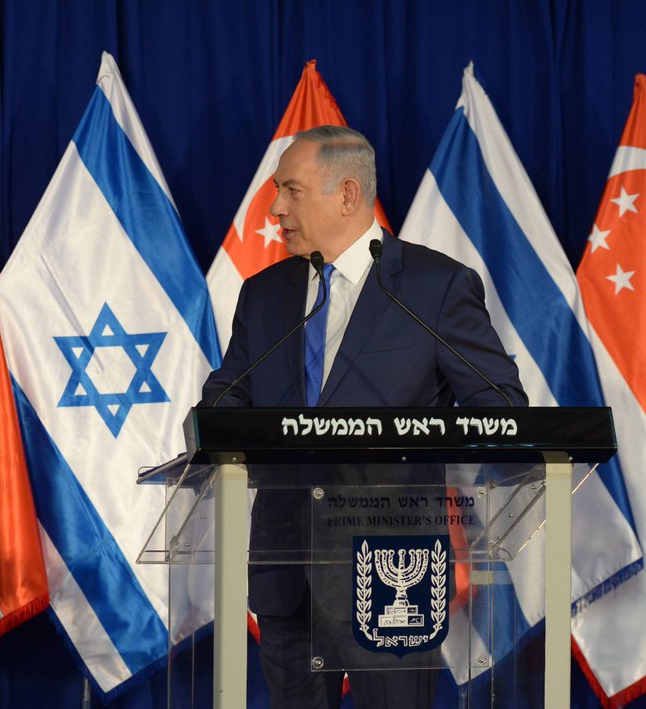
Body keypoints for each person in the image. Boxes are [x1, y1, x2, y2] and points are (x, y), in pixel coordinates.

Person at [200, 125, 526, 708]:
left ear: (347, 194)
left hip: (393, 572)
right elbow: (228, 398)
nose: (275, 209)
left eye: (291, 190)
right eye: (277, 192)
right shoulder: (264, 294)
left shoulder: (433, 288)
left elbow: (501, 409)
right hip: (286, 571)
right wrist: (210, 423)